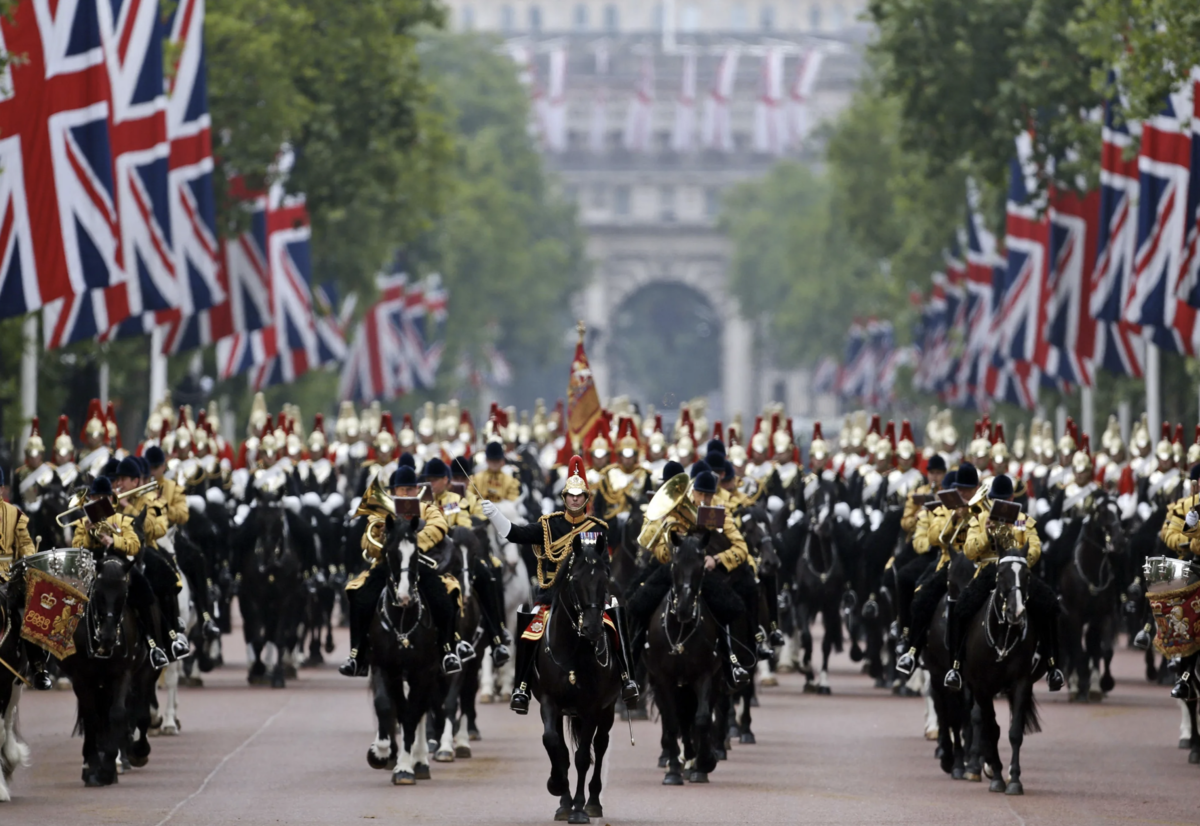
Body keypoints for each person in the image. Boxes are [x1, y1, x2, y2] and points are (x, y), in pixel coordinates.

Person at [481, 455, 639, 715]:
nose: (575, 499)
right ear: (564, 497)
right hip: (553, 594)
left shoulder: (597, 528)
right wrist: (497, 515)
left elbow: (605, 566)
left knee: (615, 615)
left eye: (580, 495)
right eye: (571, 495)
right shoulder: (549, 525)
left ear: (586, 498)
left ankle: (627, 678)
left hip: (590, 595)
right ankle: (521, 685)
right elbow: (515, 534)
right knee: (530, 622)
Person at [626, 467, 757, 689]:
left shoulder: (717, 513)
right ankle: (631, 667)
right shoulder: (672, 511)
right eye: (700, 494)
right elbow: (656, 549)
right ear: (691, 492)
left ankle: (732, 664)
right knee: (637, 604)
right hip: (671, 571)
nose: (704, 500)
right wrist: (670, 547)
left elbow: (741, 547)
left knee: (731, 606)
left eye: (709, 495)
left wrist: (716, 559)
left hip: (702, 572)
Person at [943, 474, 1064, 692]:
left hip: (1016, 571)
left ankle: (1053, 665)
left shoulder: (1022, 519)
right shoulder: (980, 518)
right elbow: (969, 551)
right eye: (997, 499)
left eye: (1005, 500)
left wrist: (1018, 559)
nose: (1001, 504)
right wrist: (987, 535)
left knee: (1049, 605)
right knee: (962, 608)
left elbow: (1035, 546)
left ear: (1011, 497)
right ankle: (956, 665)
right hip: (988, 571)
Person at [339, 466, 462, 677]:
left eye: (409, 489)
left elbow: (439, 526)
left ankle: (447, 650)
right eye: (400, 489)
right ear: (393, 491)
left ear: (417, 490)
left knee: (443, 597)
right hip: (387, 564)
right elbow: (368, 540)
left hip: (418, 564)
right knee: (360, 597)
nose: (405, 494)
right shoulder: (382, 511)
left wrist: (412, 544)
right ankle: (357, 654)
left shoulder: (428, 508)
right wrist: (387, 547)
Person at [72, 476, 169, 669]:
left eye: (103, 497)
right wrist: (90, 536)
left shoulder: (122, 520)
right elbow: (76, 547)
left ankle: (154, 644)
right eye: (95, 497)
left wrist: (113, 541)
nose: (99, 501)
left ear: (110, 498)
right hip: (93, 568)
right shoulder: (83, 522)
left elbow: (134, 545)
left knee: (145, 591)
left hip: (119, 568)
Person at [425, 457, 510, 666]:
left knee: (486, 576)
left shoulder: (454, 500)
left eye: (437, 479)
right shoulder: (422, 500)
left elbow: (462, 524)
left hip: (452, 553)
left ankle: (496, 638)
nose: (433, 483)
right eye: (430, 479)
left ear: (446, 480)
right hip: (427, 555)